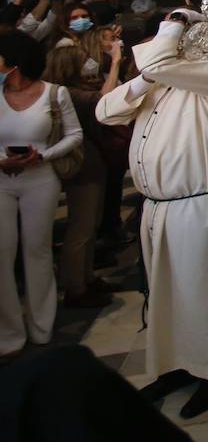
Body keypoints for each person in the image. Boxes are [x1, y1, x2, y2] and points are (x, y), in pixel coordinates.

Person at [95, 3, 208, 417]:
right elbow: (105, 111)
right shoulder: (161, 80)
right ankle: (175, 365)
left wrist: (173, 23)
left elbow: (159, 61)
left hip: (205, 204)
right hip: (160, 208)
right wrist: (141, 81)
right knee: (168, 295)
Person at [0, 31, 83, 358]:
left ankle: (41, 326)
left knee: (37, 250)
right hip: (2, 178)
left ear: (13, 61)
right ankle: (8, 333)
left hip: (41, 178)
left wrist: (43, 155)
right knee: (2, 254)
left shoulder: (54, 94)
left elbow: (75, 136)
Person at [43, 40, 122, 308]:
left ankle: (85, 277)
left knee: (90, 223)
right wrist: (116, 63)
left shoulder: (69, 91)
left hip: (90, 164)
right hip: (83, 167)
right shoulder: (69, 94)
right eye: (83, 59)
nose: (89, 62)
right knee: (82, 226)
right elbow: (105, 102)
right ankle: (76, 287)